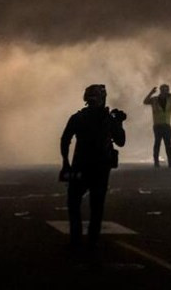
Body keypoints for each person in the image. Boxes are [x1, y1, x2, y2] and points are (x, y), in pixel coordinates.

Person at [60, 84, 126, 249]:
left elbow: (65, 140)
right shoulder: (108, 120)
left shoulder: (78, 118)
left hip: (80, 166)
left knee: (73, 203)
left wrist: (65, 163)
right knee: (97, 207)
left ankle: (76, 239)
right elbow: (121, 141)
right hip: (100, 169)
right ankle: (92, 241)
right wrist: (119, 122)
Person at [143, 84, 171, 168]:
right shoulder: (154, 100)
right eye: (164, 90)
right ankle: (156, 162)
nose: (166, 91)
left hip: (166, 125)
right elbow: (145, 101)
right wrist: (151, 92)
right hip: (157, 125)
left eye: (167, 90)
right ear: (161, 91)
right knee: (157, 143)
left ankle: (170, 162)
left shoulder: (169, 99)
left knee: (168, 145)